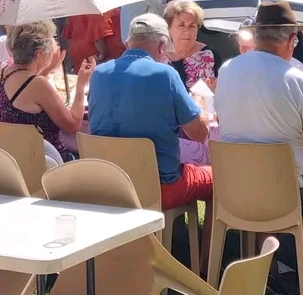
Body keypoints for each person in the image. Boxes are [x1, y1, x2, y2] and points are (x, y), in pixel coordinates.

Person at [215, 1, 303, 275]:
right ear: (292, 39)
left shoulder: (227, 70)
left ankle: (273, 262)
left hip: (234, 190)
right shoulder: (296, 79)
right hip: (289, 194)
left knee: (274, 177)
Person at [89, 13, 213, 223]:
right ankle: (208, 254)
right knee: (215, 177)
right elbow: (199, 134)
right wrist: (201, 109)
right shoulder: (165, 74)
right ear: (163, 46)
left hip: (108, 184)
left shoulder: (99, 73)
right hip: (158, 187)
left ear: (128, 43)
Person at [0, 20, 92, 161]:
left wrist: (46, 69)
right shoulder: (37, 84)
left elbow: (25, 96)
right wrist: (81, 85)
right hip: (42, 163)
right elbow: (72, 125)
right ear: (39, 53)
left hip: (6, 160)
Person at [164, 0, 220, 87]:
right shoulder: (158, 55)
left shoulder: (209, 55)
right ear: (168, 28)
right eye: (181, 25)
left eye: (192, 26)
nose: (187, 31)